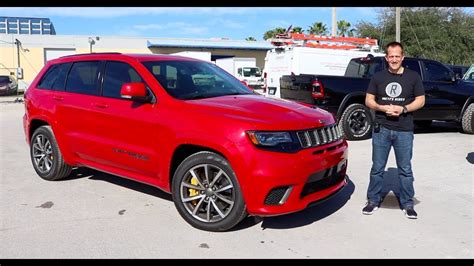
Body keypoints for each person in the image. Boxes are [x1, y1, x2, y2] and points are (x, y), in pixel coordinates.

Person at [362, 41, 425, 219]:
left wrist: (403, 109)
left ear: (402, 57)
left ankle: (407, 203)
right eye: (391, 56)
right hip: (381, 128)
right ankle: (373, 201)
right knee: (377, 168)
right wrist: (383, 108)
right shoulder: (378, 77)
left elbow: (421, 100)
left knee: (405, 169)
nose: (394, 59)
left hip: (404, 130)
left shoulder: (413, 77)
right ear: (386, 58)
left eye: (398, 56)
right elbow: (369, 100)